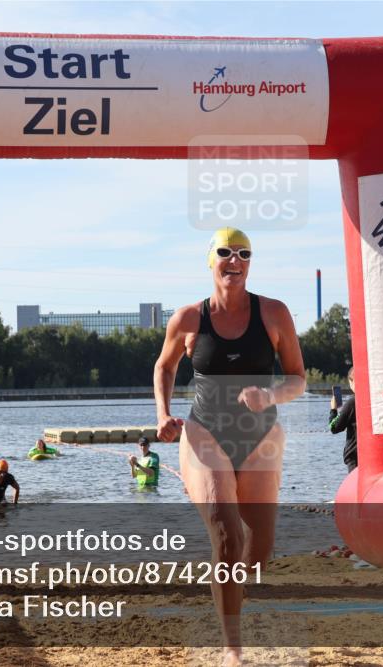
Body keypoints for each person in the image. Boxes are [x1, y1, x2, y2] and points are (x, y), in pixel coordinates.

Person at [153, 227, 306, 665]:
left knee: (258, 550)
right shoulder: (187, 319)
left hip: (261, 438)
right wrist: (163, 414)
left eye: (244, 254)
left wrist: (270, 395)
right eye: (225, 252)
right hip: (206, 433)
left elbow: (298, 378)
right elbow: (164, 368)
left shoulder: (275, 313)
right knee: (226, 533)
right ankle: (232, 650)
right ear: (211, 261)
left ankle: (234, 591)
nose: (234, 260)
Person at [328, 368, 357, 471]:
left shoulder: (352, 403)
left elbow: (334, 427)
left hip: (355, 458)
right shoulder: (374, 400)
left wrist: (333, 410)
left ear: (352, 381)